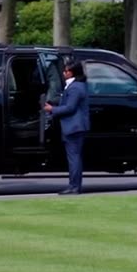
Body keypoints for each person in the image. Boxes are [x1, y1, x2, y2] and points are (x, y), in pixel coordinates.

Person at [44, 61, 91, 195]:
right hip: (73, 126)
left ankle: (74, 187)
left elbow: (70, 107)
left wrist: (52, 109)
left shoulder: (75, 87)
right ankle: (73, 186)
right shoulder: (74, 86)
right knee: (74, 157)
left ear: (72, 72)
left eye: (66, 71)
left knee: (74, 158)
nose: (64, 73)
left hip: (74, 127)